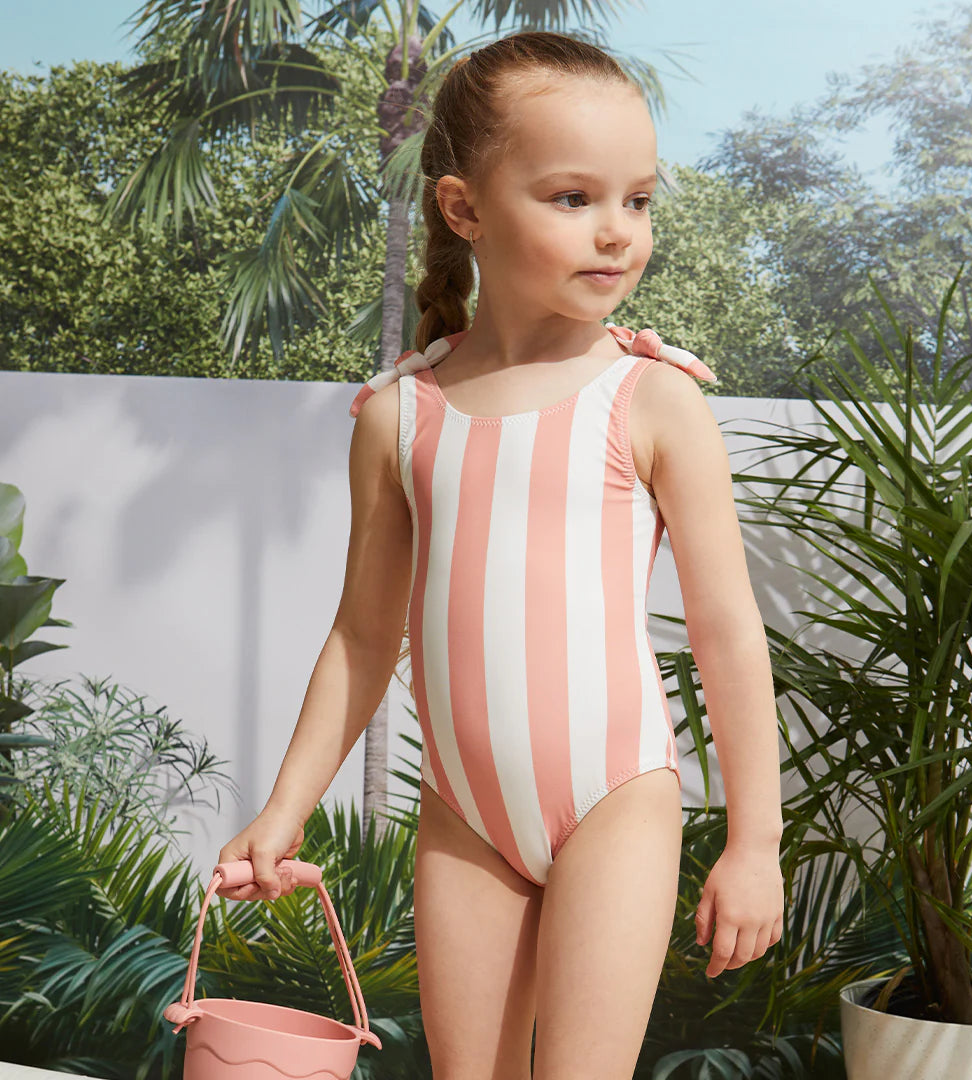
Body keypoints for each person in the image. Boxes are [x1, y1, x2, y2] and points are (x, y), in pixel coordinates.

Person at [216, 29, 785, 1080]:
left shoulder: (653, 400)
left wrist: (756, 844)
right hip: (464, 814)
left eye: (639, 201)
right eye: (573, 198)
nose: (617, 232)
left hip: (615, 802)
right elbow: (361, 638)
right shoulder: (400, 416)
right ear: (462, 208)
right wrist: (283, 812)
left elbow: (727, 634)